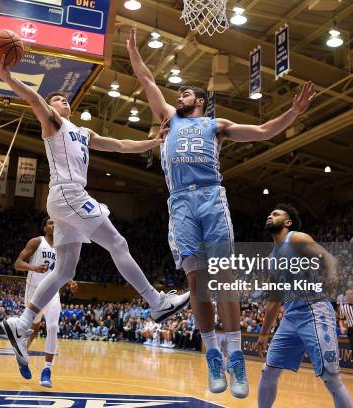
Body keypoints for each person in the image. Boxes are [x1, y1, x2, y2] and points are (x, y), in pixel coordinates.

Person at [126, 27, 316, 398]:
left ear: (199, 101)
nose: (178, 96)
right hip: (180, 201)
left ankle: (236, 358)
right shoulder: (169, 118)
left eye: (185, 93)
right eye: (178, 93)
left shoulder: (217, 125)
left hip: (211, 197)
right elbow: (146, 79)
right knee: (197, 283)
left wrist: (293, 111)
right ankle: (213, 354)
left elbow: (262, 130)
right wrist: (133, 51)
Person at [0, 53, 190, 376]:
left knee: (65, 271)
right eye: (57, 99)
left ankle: (23, 323)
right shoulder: (53, 122)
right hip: (68, 192)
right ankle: (157, 303)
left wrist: (152, 142)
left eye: (65, 99)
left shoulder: (82, 132)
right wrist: (8, 78)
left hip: (65, 201)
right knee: (118, 244)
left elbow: (120, 145)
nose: (62, 101)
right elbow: (35, 99)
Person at [256, 204, 353, 408]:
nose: (269, 215)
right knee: (268, 371)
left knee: (331, 378)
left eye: (275, 214)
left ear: (288, 222)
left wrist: (332, 275)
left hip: (315, 310)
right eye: (269, 213)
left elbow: (329, 258)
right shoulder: (271, 259)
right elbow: (274, 299)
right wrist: (264, 334)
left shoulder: (297, 239)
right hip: (291, 317)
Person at [13, 216, 74, 387]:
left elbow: (63, 271)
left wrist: (70, 282)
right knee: (31, 331)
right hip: (34, 291)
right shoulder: (36, 242)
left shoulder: (62, 248)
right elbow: (17, 263)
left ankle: (47, 370)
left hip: (52, 291)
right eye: (50, 223)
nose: (54, 225)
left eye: (56, 223)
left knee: (53, 326)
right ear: (44, 227)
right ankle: (21, 357)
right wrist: (34, 268)